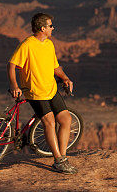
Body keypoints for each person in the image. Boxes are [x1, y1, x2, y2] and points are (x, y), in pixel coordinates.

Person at [8, 12, 77, 174]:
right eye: (50, 25)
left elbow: (55, 67)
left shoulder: (49, 44)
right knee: (50, 122)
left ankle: (63, 156)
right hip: (35, 92)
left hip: (51, 90)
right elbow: (11, 65)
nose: (53, 28)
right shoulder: (27, 45)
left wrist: (65, 78)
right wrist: (14, 85)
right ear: (42, 28)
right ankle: (58, 161)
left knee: (66, 119)